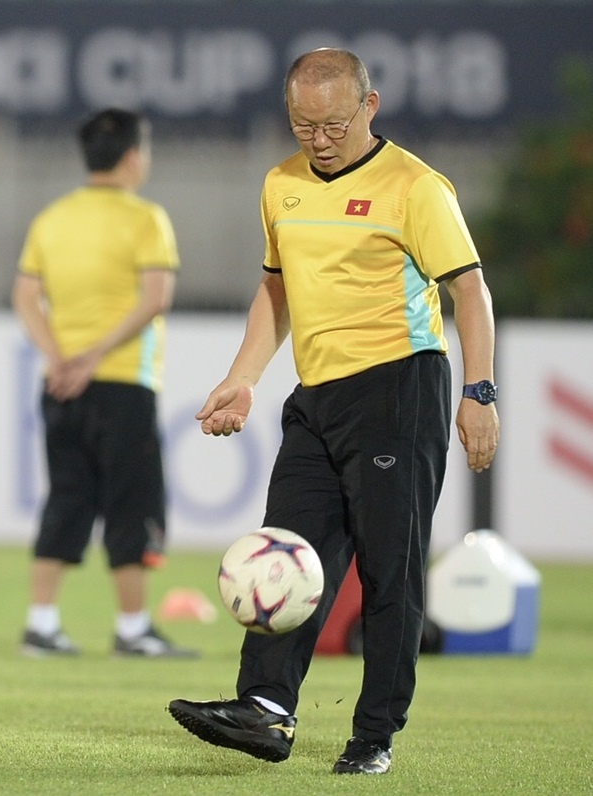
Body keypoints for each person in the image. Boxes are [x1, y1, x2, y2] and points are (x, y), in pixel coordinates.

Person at [167, 48, 499, 774]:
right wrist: (243, 376)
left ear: (369, 107)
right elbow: (276, 291)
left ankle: (373, 734)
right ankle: (264, 709)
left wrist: (478, 392)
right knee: (287, 552)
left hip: (397, 389)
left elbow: (468, 292)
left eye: (332, 125)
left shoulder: (415, 187)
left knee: (388, 567)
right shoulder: (279, 184)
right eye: (301, 124)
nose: (316, 139)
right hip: (314, 399)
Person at [12, 108, 197, 659]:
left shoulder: (52, 218)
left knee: (66, 499)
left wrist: (60, 358)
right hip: (122, 383)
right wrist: (92, 357)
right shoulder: (146, 219)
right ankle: (133, 629)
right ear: (134, 156)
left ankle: (41, 625)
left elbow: (25, 296)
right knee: (132, 502)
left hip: (60, 384)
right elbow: (156, 298)